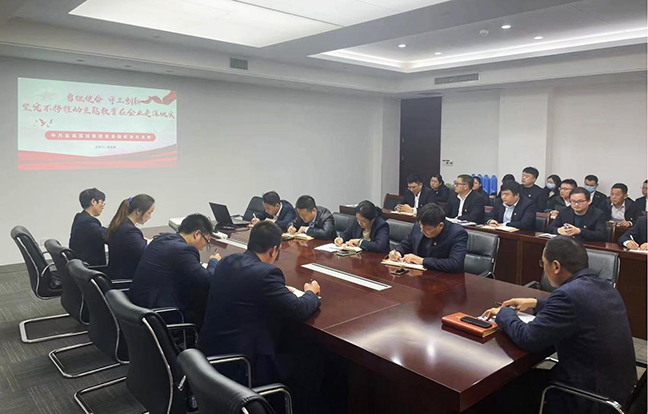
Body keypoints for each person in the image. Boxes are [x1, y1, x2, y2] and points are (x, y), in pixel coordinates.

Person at [481, 236, 636, 414]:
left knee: (497, 391)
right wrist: (535, 302)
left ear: (556, 266)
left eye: (543, 263)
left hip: (587, 398)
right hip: (617, 390)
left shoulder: (567, 296)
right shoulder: (604, 287)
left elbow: (528, 338)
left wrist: (504, 313)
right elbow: (581, 307)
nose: (543, 267)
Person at [199, 221, 321, 385]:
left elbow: (248, 288)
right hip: (244, 365)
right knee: (312, 359)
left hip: (209, 355)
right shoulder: (266, 273)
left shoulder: (227, 261)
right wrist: (311, 293)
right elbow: (299, 309)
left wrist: (278, 291)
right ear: (273, 250)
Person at [128, 214, 221, 325]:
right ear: (197, 234)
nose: (202, 248)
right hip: (159, 315)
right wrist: (214, 262)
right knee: (209, 308)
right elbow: (208, 281)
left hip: (138, 308)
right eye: (206, 241)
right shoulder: (184, 250)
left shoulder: (161, 239)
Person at [388, 203, 467, 273]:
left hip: (444, 278)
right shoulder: (419, 226)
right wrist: (397, 252)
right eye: (421, 226)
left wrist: (422, 261)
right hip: (418, 276)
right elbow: (405, 244)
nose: (422, 230)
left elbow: (455, 264)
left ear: (440, 225)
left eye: (427, 229)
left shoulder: (457, 233)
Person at [105, 194, 155, 280]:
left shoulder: (121, 225)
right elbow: (146, 254)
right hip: (126, 280)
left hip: (116, 275)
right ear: (138, 211)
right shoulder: (129, 231)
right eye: (149, 213)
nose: (150, 217)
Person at [69, 188, 107, 266]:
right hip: (90, 267)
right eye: (102, 202)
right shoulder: (88, 222)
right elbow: (106, 236)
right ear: (93, 202)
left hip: (80, 264)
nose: (103, 206)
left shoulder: (80, 217)